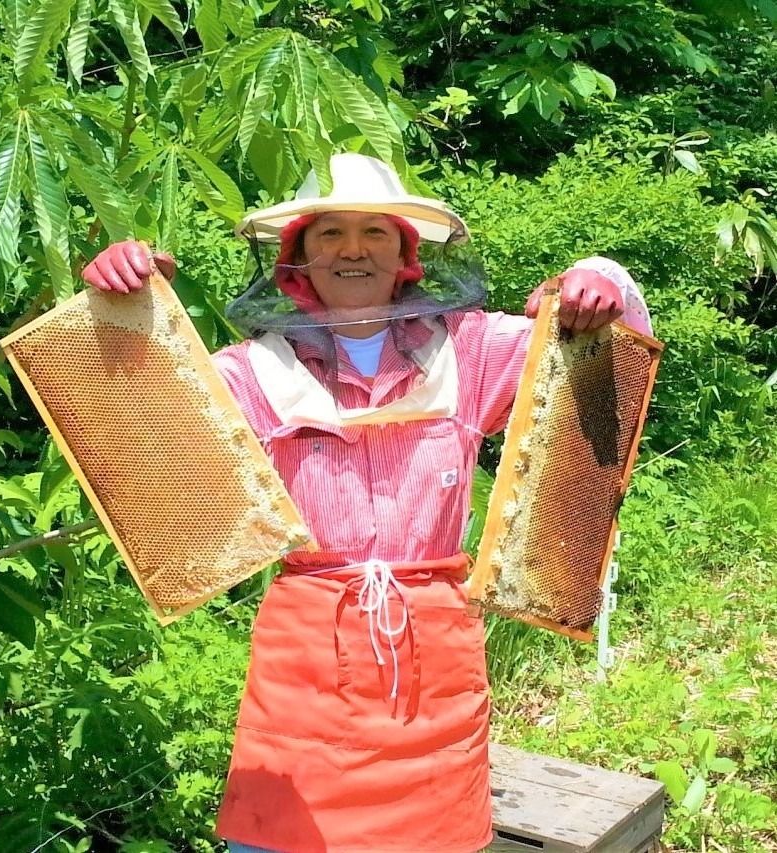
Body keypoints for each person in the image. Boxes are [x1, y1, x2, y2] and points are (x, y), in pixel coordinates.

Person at [82, 153, 652, 853]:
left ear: (406, 256)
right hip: (305, 654)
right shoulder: (245, 372)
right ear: (297, 260)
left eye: (374, 232)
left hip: (432, 650)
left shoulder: (468, 351)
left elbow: (605, 347)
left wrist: (594, 285)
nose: (352, 248)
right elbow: (140, 435)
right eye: (328, 233)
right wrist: (121, 317)